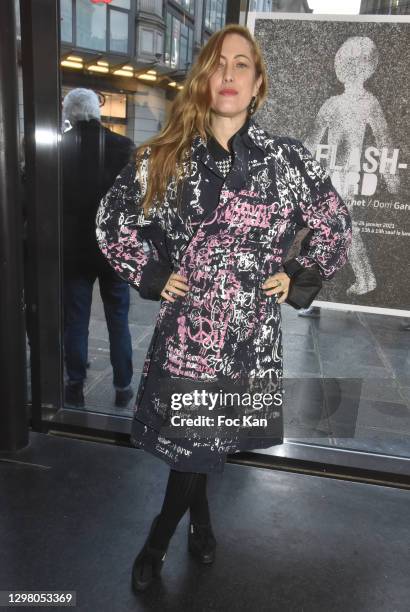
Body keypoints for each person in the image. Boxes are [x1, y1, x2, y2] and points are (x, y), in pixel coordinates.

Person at [96, 24, 352, 592]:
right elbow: (111, 223)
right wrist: (155, 274)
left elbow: (334, 222)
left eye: (241, 64)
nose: (229, 74)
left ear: (257, 83)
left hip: (250, 337)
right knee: (195, 443)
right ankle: (166, 536)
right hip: (189, 332)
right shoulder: (164, 158)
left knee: (205, 442)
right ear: (204, 80)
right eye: (217, 63)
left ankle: (191, 524)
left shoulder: (287, 159)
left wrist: (299, 276)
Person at [62, 88, 135, 409]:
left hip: (74, 249)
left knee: (75, 320)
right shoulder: (122, 147)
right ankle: (122, 387)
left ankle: (74, 384)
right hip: (113, 249)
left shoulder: (59, 150)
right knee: (118, 319)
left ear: (69, 114)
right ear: (98, 112)